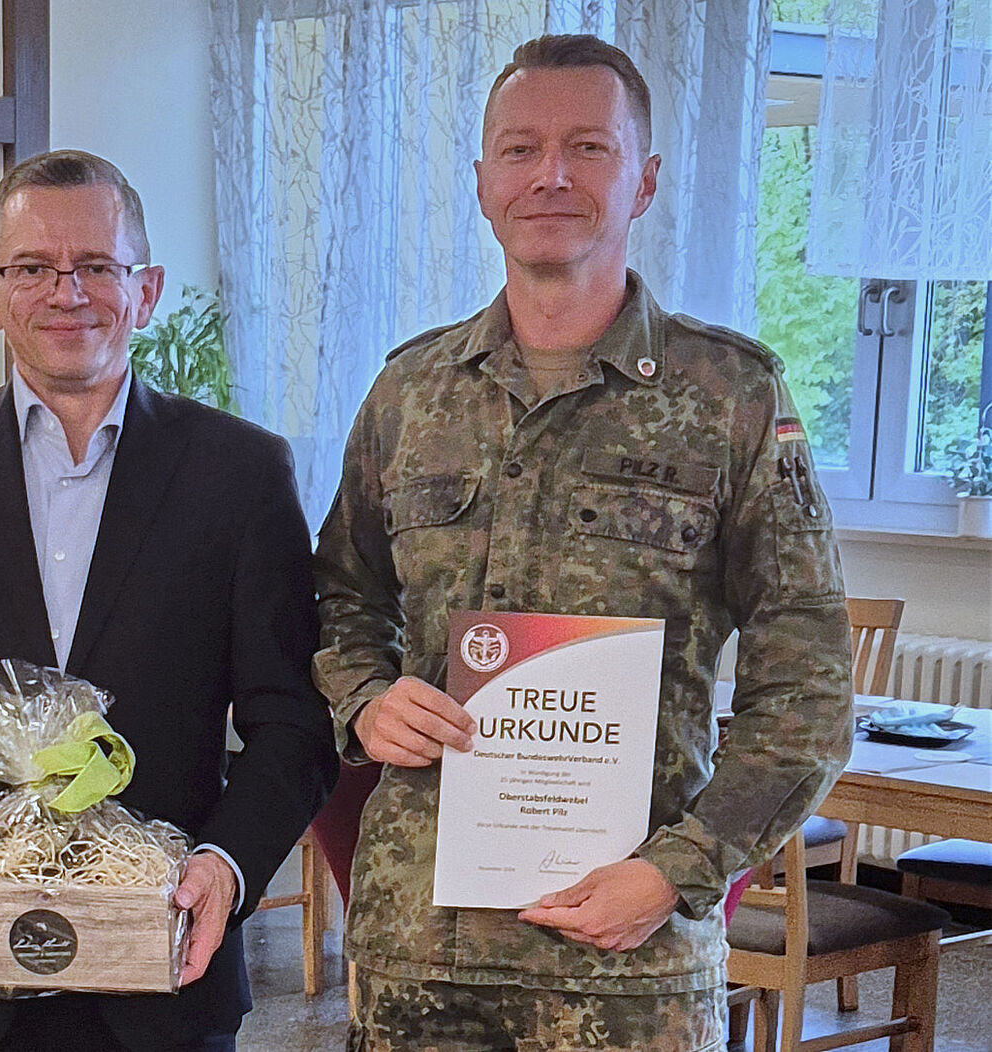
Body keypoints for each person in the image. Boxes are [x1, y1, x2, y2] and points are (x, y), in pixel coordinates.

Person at [312, 35, 853, 1052]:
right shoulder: (409, 394)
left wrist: (680, 870)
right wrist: (366, 697)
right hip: (417, 948)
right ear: (483, 183)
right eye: (520, 149)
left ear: (643, 180)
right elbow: (342, 596)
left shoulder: (731, 398)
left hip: (628, 964)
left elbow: (808, 688)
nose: (550, 175)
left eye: (589, 147)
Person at [0, 149, 336, 1052]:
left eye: (96, 266)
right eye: (33, 268)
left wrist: (227, 866)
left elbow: (292, 719)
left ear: (146, 290)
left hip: (167, 972)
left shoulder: (240, 473)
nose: (66, 292)